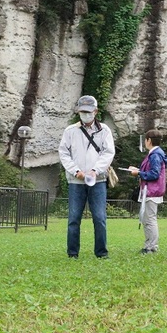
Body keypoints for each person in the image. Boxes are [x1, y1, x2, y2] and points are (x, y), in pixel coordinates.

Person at [58, 95, 115, 259]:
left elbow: (108, 152)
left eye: (88, 111)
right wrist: (76, 171)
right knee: (74, 218)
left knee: (99, 218)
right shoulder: (70, 131)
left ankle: (101, 253)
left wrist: (95, 170)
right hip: (76, 181)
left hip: (98, 180)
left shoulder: (104, 130)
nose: (85, 114)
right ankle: (72, 253)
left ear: (95, 111)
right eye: (82, 111)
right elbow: (64, 153)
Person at [129, 129, 167, 254]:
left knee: (150, 219)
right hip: (151, 190)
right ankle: (149, 245)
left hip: (152, 190)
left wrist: (139, 173)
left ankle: (152, 247)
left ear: (149, 140)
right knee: (147, 219)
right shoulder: (156, 153)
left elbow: (154, 174)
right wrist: (138, 170)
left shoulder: (155, 155)